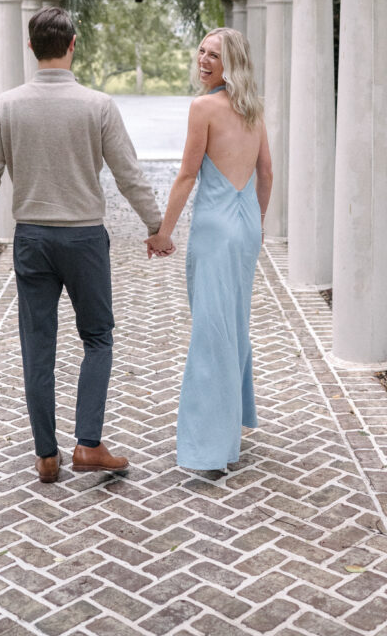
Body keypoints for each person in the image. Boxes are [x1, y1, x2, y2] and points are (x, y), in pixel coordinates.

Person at [0, 6, 174, 483]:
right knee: (98, 338)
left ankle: (46, 455)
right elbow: (128, 173)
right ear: (73, 45)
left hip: (32, 239)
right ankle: (88, 443)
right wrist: (155, 226)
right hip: (84, 240)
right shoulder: (97, 105)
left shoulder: (7, 106)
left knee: (37, 346)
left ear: (31, 47)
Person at [146, 27, 273, 470]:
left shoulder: (203, 108)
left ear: (231, 63)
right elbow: (266, 173)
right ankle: (233, 420)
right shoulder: (253, 108)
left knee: (211, 332)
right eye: (201, 51)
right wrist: (256, 222)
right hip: (245, 228)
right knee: (233, 324)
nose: (203, 59)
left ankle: (210, 447)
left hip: (215, 231)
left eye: (214, 55)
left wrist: (163, 233)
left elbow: (186, 175)